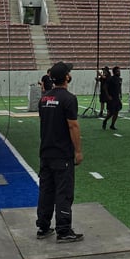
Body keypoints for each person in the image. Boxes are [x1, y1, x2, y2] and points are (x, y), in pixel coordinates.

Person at [36, 61, 84, 242]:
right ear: (66, 77)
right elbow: (73, 126)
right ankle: (63, 230)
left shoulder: (44, 98)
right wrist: (78, 151)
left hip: (45, 152)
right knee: (63, 192)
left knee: (46, 191)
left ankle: (43, 226)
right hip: (62, 153)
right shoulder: (69, 98)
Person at [103, 65, 123, 129]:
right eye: (118, 71)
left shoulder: (120, 79)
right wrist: (108, 96)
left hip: (117, 98)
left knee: (116, 112)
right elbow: (105, 87)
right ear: (114, 72)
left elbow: (119, 87)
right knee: (112, 112)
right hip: (111, 98)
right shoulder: (110, 79)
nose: (119, 72)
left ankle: (112, 125)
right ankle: (105, 120)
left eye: (119, 71)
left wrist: (120, 94)